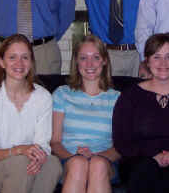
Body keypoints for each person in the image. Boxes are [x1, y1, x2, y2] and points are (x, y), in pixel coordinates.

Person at [112, 33, 169, 193]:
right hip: (139, 161)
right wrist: (154, 158)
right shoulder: (130, 96)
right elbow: (121, 140)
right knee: (145, 170)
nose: (163, 63)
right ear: (147, 61)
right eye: (156, 57)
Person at [0, 34, 62, 193]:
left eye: (25, 57)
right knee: (21, 163)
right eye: (12, 57)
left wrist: (39, 157)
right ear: (1, 62)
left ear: (31, 62)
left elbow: (42, 144)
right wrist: (19, 150)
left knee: (53, 164)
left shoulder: (43, 97)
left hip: (28, 164)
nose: (19, 63)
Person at [51, 35, 121, 193]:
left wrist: (97, 155)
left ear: (104, 61)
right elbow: (55, 142)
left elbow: (120, 146)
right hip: (68, 160)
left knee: (97, 164)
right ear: (76, 61)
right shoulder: (62, 94)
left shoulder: (117, 98)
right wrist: (74, 157)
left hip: (105, 162)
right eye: (83, 58)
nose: (89, 64)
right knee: (78, 164)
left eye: (96, 57)